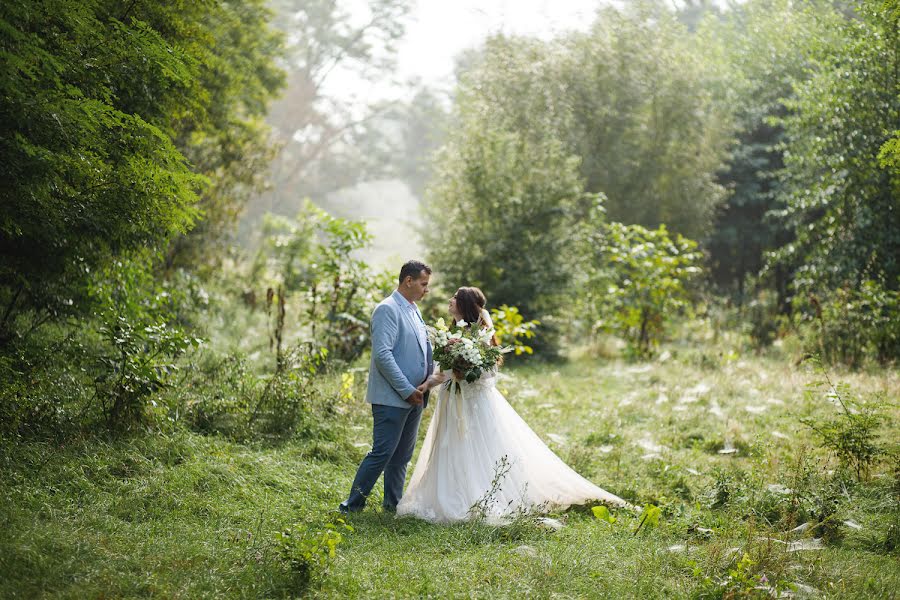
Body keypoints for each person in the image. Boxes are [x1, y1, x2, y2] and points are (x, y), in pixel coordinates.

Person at [396, 286, 627, 523]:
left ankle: (479, 495)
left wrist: (465, 370)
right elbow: (441, 372)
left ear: (464, 304)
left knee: (476, 449)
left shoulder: (480, 336)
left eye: (455, 298)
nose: (450, 300)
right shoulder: (449, 334)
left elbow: (489, 374)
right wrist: (427, 385)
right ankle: (449, 492)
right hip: (451, 402)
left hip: (473, 404)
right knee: (450, 446)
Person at [338, 260, 433, 513]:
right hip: (394, 397)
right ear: (408, 281)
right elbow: (383, 354)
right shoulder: (387, 309)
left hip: (416, 396)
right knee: (382, 453)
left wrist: (425, 384)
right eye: (424, 284)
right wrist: (406, 389)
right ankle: (351, 506)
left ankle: (393, 504)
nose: (427, 290)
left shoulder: (413, 309)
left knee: (402, 456)